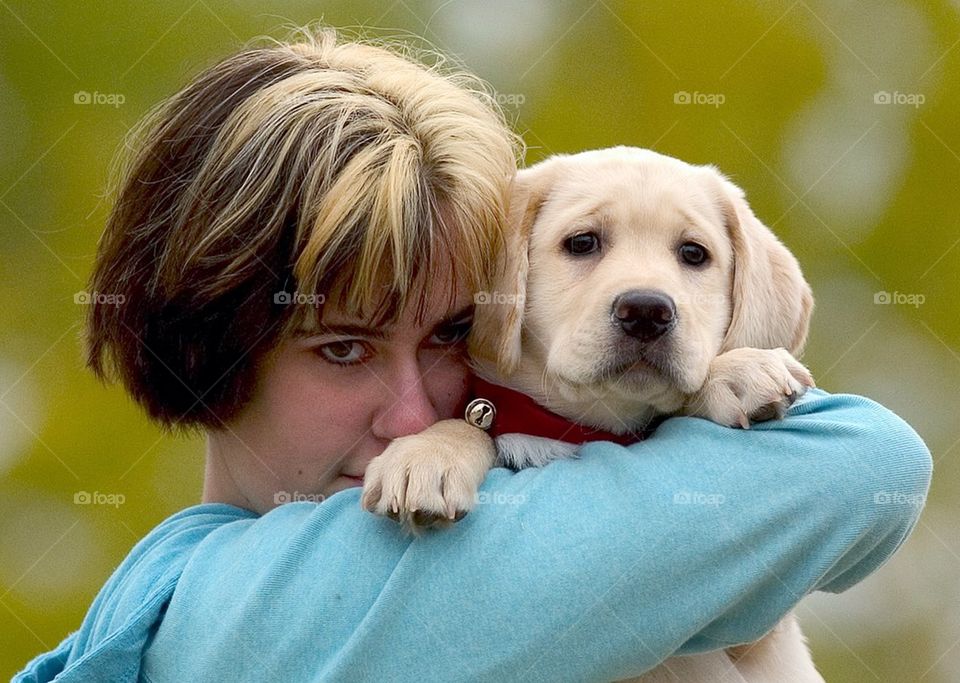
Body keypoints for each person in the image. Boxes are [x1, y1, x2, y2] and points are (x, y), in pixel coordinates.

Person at [16, 26, 931, 682]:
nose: (419, 413)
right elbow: (859, 464)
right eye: (342, 349)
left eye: (455, 334)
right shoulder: (246, 615)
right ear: (206, 352)